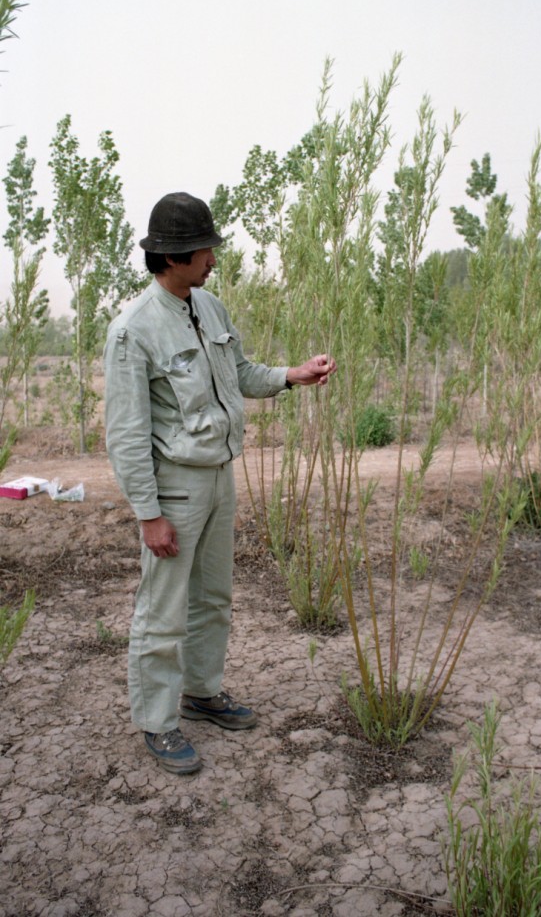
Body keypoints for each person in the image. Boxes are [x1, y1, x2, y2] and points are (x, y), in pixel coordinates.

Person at [103, 191, 336, 775]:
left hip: (219, 478)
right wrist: (149, 514)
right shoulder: (133, 330)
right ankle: (157, 723)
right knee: (163, 609)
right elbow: (127, 433)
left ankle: (201, 692)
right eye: (204, 248)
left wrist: (293, 375)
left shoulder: (209, 308)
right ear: (174, 256)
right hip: (175, 490)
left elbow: (240, 374)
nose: (213, 256)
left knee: (214, 598)